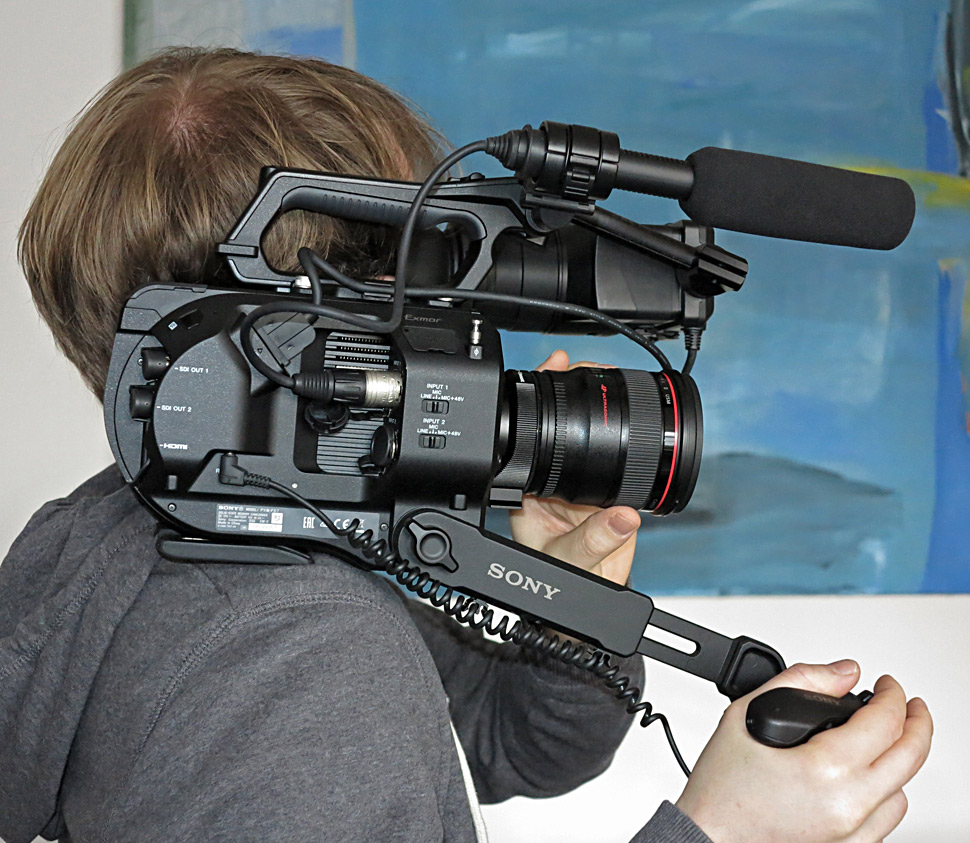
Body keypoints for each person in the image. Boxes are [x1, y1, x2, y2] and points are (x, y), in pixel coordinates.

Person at [0, 48, 931, 843]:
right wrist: (724, 831)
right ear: (297, 350)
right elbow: (332, 714)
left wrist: (566, 602)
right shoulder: (291, 646)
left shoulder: (185, 532)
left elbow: (501, 738)